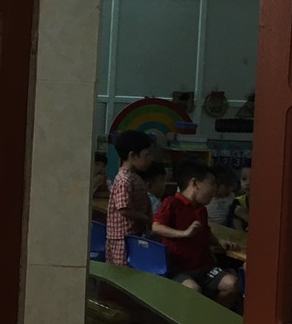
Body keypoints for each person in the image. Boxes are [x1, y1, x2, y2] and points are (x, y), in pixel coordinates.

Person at [151, 161, 239, 306]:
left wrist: (219, 242)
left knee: (232, 284)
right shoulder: (171, 203)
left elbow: (206, 232)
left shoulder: (202, 209)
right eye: (211, 184)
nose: (214, 190)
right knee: (193, 290)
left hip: (205, 268)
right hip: (179, 270)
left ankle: (212, 313)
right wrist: (184, 233)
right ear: (194, 183)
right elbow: (156, 226)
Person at [105, 130, 153, 266]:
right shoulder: (124, 180)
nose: (150, 159)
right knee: (123, 272)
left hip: (133, 235)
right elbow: (123, 209)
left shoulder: (134, 177)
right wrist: (145, 218)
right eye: (147, 154)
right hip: (122, 238)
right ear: (133, 155)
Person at [227, 162, 251, 232]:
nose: (247, 183)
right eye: (244, 179)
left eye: (253, 179)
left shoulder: (264, 202)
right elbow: (239, 231)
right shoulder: (238, 202)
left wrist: (246, 216)